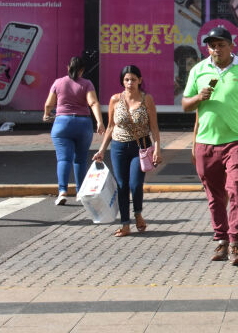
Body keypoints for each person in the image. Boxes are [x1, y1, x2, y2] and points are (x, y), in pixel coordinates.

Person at [182, 26, 238, 266]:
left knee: (237, 189)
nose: (216, 49)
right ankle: (221, 239)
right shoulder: (198, 70)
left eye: (221, 45)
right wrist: (199, 97)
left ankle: (235, 241)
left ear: (231, 46)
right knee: (215, 196)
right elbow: (186, 104)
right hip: (206, 143)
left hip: (237, 141)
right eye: (212, 45)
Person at [92, 65, 161, 236]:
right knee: (122, 185)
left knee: (135, 184)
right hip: (119, 146)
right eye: (127, 80)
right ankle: (125, 223)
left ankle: (137, 213)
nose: (130, 83)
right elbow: (110, 127)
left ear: (140, 81)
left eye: (133, 79)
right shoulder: (115, 99)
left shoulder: (147, 100)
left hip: (141, 146)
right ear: (123, 81)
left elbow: (154, 127)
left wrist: (157, 149)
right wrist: (101, 150)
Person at [44, 56, 106, 205]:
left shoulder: (58, 83)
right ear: (82, 70)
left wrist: (46, 114)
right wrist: (99, 122)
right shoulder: (87, 84)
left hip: (62, 124)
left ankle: (62, 191)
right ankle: (80, 192)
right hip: (83, 123)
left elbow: (48, 104)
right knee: (80, 159)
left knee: (63, 159)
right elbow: (93, 102)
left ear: (68, 67)